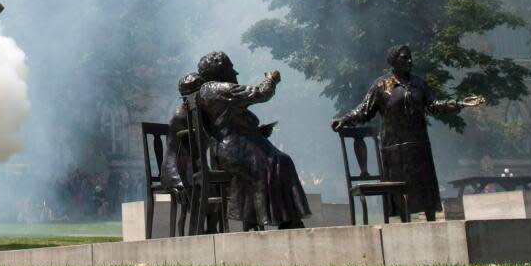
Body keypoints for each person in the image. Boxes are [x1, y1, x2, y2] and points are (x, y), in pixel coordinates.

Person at [333, 44, 484, 222]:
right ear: (394, 61)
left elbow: (433, 105)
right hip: (394, 149)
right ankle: (405, 222)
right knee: (400, 193)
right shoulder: (381, 85)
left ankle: (431, 221)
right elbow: (364, 110)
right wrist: (345, 119)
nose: (409, 61)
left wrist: (456, 104)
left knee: (425, 188)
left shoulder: (419, 84)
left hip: (419, 146)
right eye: (404, 58)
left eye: (410, 57)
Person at [196, 51, 311, 231]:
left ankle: (269, 220)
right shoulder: (221, 89)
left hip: (233, 147)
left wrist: (258, 131)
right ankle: (287, 221)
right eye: (231, 68)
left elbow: (228, 122)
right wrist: (271, 79)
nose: (236, 73)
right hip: (235, 150)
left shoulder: (206, 91)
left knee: (278, 160)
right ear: (221, 70)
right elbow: (261, 93)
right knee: (279, 162)